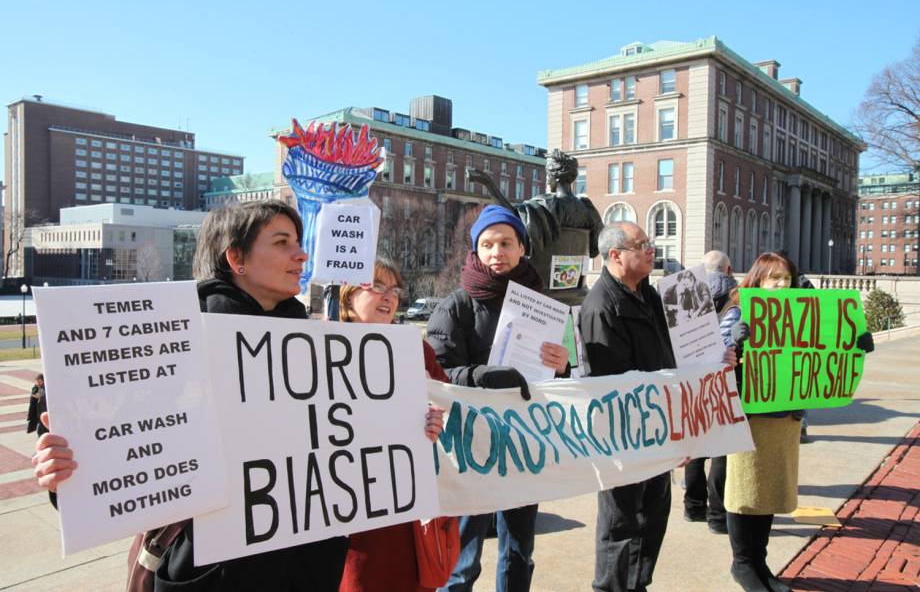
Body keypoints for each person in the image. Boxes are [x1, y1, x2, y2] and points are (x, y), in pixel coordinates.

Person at [31, 200, 350, 591]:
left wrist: (408, 425)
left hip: (306, 553)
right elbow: (120, 451)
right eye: (282, 243)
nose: (301, 254)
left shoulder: (315, 342)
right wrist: (65, 472)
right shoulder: (169, 338)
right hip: (217, 566)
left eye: (298, 242)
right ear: (236, 257)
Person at [580, 223, 735, 592]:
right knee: (623, 528)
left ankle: (637, 584)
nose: (652, 250)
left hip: (661, 432)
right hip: (628, 441)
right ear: (616, 256)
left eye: (650, 243)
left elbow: (681, 355)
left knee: (652, 519)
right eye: (642, 245)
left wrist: (717, 358)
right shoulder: (602, 307)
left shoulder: (651, 296)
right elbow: (614, 390)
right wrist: (665, 432)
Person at [427, 204, 570, 592]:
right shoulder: (455, 306)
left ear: (522, 247)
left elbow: (557, 381)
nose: (497, 252)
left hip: (524, 443)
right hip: (470, 448)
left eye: (506, 242)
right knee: (462, 558)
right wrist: (483, 376)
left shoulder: (543, 305)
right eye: (487, 244)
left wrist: (562, 366)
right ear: (476, 251)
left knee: (519, 552)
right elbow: (436, 372)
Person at [719, 251, 874, 592]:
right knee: (746, 492)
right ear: (758, 279)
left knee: (770, 490)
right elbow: (711, 359)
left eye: (786, 278)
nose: (781, 284)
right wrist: (731, 343)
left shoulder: (803, 313)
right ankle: (743, 563)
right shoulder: (738, 311)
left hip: (785, 418)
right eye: (773, 277)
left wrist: (856, 343)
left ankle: (759, 562)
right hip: (750, 418)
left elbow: (824, 344)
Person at [338, 257, 450, 592]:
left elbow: (448, 406)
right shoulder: (320, 348)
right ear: (347, 295)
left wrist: (437, 419)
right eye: (377, 287)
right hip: (348, 508)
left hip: (404, 509)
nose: (389, 297)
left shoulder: (415, 350)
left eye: (395, 289)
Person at [683, 250, 738, 534]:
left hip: (693, 380)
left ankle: (693, 507)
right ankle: (717, 517)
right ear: (728, 270)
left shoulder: (687, 296)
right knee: (721, 452)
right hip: (726, 380)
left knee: (695, 446)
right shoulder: (738, 300)